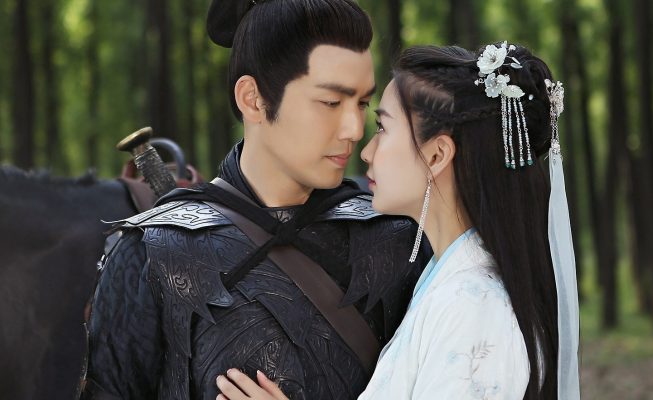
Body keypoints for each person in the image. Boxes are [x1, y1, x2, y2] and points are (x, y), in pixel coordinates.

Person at [79, 0, 427, 399]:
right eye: (331, 102)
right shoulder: (150, 253)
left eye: (362, 103)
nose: (354, 128)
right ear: (253, 99)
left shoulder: (400, 240)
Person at [217, 42, 581, 400]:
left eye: (382, 128)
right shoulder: (449, 279)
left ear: (436, 155)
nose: (366, 151)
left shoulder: (472, 306)